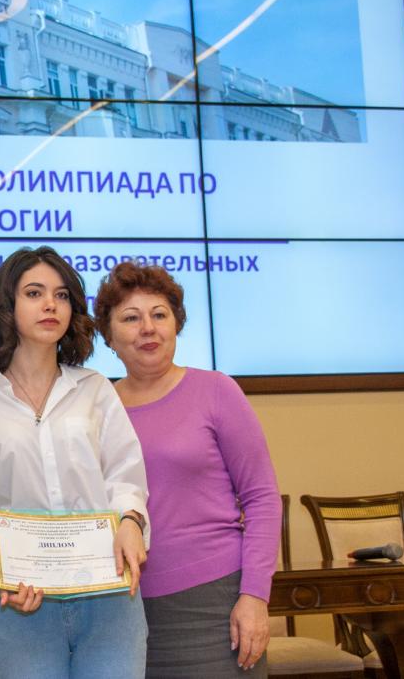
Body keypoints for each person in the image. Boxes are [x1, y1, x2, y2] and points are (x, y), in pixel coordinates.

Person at [0, 245, 150, 679]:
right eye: (34, 293)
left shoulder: (95, 389)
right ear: (6, 306)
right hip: (24, 606)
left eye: (62, 295)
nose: (51, 304)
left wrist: (131, 520)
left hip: (110, 598)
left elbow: (125, 475)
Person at [93, 262, 282, 678]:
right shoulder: (95, 408)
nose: (148, 328)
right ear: (108, 336)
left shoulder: (216, 391)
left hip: (215, 606)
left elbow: (262, 499)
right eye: (131, 318)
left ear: (176, 324)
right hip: (121, 610)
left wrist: (255, 597)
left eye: (159, 315)